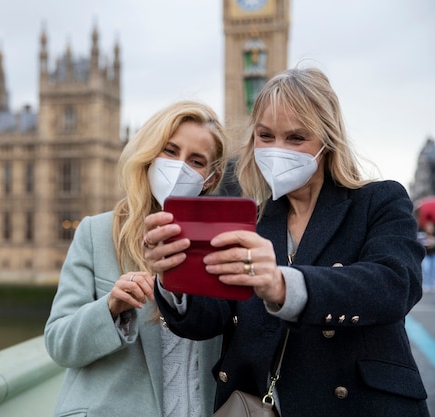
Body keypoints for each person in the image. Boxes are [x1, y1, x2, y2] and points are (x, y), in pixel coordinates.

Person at [144, 68, 429, 416]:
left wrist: (284, 285)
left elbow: (394, 285)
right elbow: (211, 318)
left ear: (327, 141)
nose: (277, 150)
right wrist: (172, 277)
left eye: (295, 138)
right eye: (266, 135)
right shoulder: (254, 220)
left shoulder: (378, 201)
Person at [44, 100, 230, 417]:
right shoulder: (97, 233)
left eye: (196, 161)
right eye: (170, 151)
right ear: (149, 154)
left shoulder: (221, 243)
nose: (180, 166)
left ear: (210, 178)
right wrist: (110, 309)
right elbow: (59, 343)